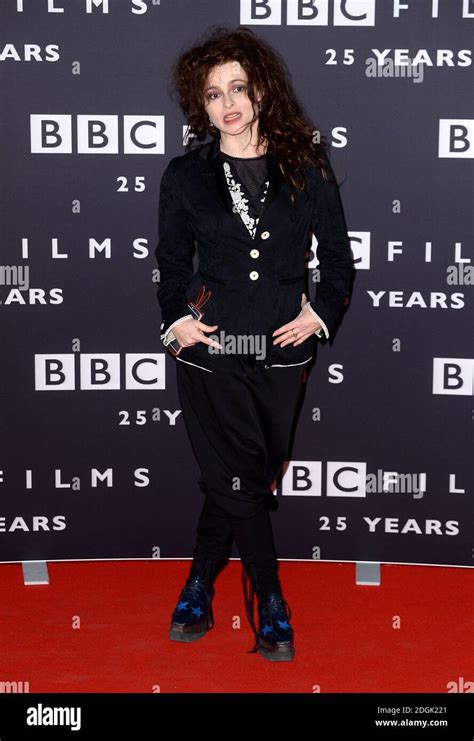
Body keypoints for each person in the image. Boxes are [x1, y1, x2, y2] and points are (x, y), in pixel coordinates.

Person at [154, 26, 354, 662]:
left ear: (262, 90)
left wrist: (319, 313)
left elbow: (341, 264)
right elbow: (170, 263)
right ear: (201, 105)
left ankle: (195, 582)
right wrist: (176, 318)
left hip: (282, 354)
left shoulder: (306, 169)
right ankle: (269, 600)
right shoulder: (186, 175)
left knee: (244, 480)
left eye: (238, 88)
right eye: (213, 95)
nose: (228, 104)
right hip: (211, 351)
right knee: (240, 477)